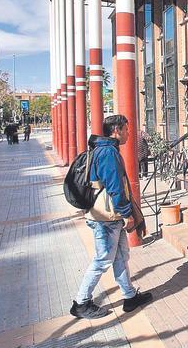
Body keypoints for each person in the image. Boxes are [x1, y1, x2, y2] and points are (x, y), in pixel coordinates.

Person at [70, 114, 153, 319]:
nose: (128, 133)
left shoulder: (103, 149)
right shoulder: (108, 152)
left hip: (108, 217)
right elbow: (116, 187)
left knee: (121, 257)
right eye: (126, 129)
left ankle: (129, 296)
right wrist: (127, 214)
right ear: (116, 130)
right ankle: (81, 302)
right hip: (106, 218)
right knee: (102, 260)